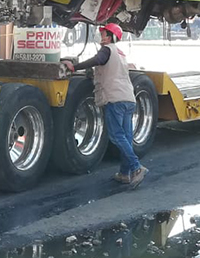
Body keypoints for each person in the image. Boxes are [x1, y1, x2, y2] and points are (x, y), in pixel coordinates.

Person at [61, 23, 147, 189]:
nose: (102, 37)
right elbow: (107, 69)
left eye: (105, 34)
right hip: (128, 98)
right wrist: (91, 73)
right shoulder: (120, 53)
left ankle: (137, 168)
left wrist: (75, 67)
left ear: (111, 37)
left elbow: (98, 60)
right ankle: (124, 173)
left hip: (115, 99)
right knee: (126, 137)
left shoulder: (107, 49)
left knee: (116, 135)